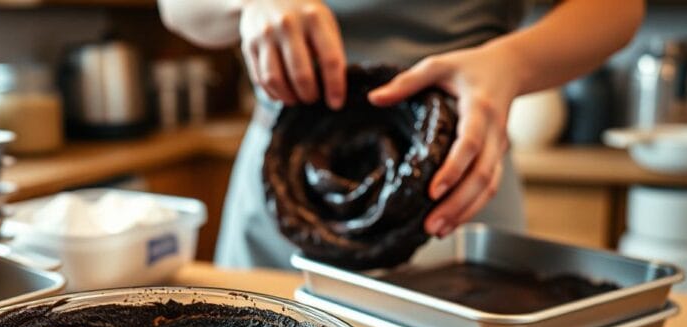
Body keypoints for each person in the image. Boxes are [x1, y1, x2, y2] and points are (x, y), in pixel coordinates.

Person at [158, 0, 645, 269]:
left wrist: (512, 63)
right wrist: (246, 4)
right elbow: (177, 8)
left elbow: (616, 8)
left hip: (454, 187)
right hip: (283, 188)